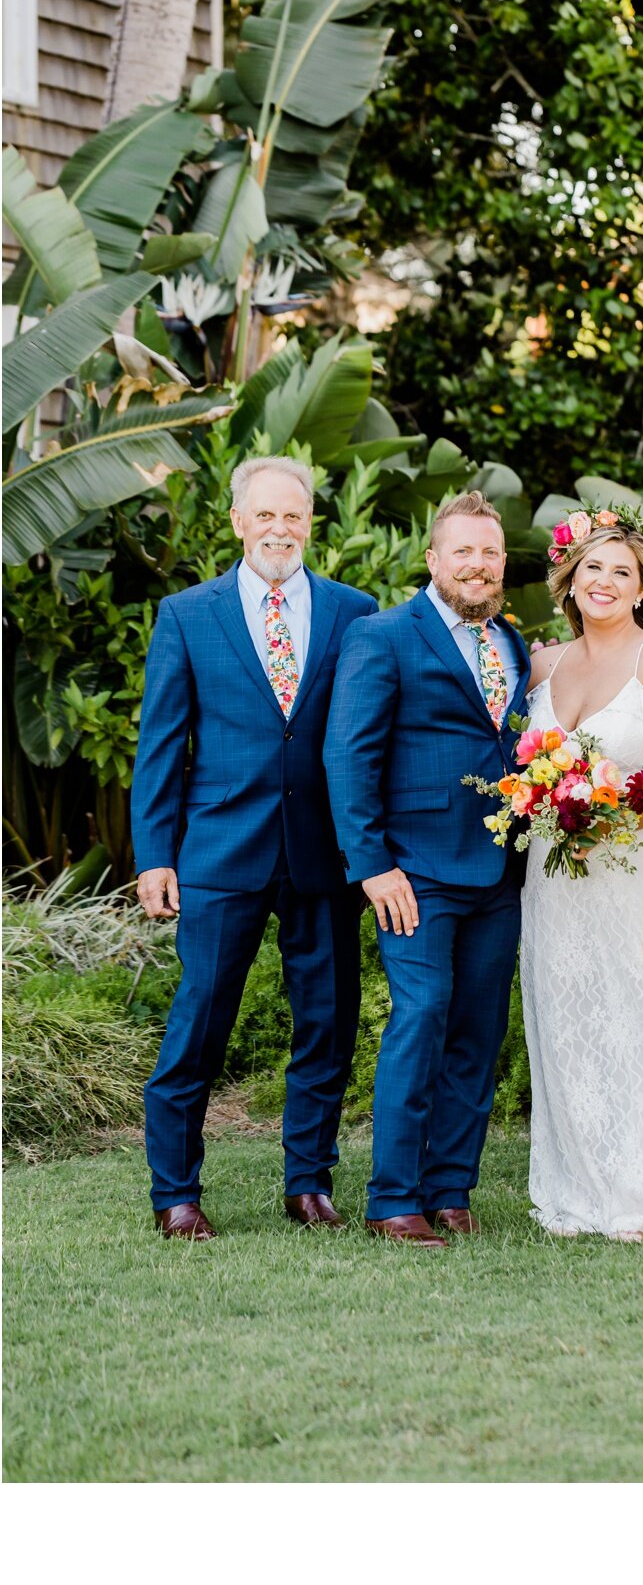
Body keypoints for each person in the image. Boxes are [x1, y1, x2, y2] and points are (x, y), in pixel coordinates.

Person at [130, 456, 376, 1240]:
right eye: (264, 515)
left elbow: (366, 740)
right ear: (238, 521)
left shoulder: (354, 612)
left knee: (328, 1026)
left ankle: (308, 1184)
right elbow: (163, 747)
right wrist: (154, 855)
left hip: (323, 854)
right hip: (220, 852)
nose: (279, 529)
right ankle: (176, 1193)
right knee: (199, 1021)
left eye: (293, 516)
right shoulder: (187, 615)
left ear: (311, 524)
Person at [324, 492, 529, 1248]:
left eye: (491, 553)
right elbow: (348, 754)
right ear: (434, 560)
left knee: (480, 1031)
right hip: (414, 873)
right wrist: (372, 864)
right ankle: (392, 1199)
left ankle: (451, 1188)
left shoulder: (512, 640)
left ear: (503, 564)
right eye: (464, 552)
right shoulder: (382, 636)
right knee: (420, 1018)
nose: (479, 566)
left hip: (499, 872)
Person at [520, 508, 643, 1241]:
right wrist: (554, 806)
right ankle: (578, 1186)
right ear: (571, 579)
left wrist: (609, 821)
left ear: (641, 590)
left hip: (635, 863)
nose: (604, 581)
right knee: (562, 1012)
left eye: (621, 572)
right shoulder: (543, 664)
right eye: (592, 568)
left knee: (634, 1010)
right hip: (552, 867)